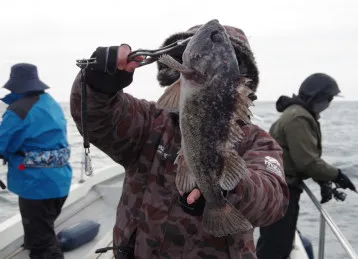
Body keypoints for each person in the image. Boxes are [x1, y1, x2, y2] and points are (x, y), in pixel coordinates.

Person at [70, 23, 289, 258]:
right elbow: (98, 118)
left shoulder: (257, 141)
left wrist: (228, 187)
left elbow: (273, 200)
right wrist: (97, 85)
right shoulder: (149, 122)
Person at [256, 73, 356, 259]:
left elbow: (300, 158)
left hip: (277, 189)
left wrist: (323, 182)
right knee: (274, 249)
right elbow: (307, 162)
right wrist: (337, 175)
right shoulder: (298, 118)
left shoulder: (297, 113)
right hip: (279, 192)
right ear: (317, 97)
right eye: (328, 98)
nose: (329, 102)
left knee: (275, 245)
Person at [0, 63, 72, 259]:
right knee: (41, 230)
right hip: (60, 181)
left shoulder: (18, 110)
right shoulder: (50, 102)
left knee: (44, 248)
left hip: (36, 186)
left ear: (14, 85)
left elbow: (2, 143)